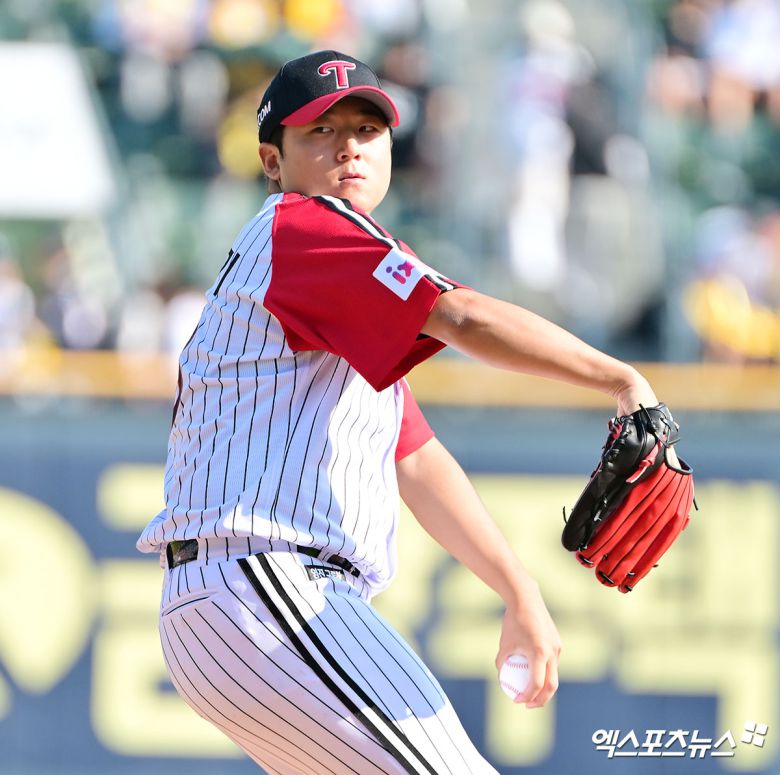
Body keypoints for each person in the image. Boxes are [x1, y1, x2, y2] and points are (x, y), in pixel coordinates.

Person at [137, 50, 659, 775]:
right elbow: (463, 317)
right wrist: (620, 378)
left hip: (236, 605)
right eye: (320, 131)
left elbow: (413, 457)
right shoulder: (304, 229)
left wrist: (518, 589)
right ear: (273, 161)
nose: (349, 146)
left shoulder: (332, 281)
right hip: (264, 588)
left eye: (367, 128)